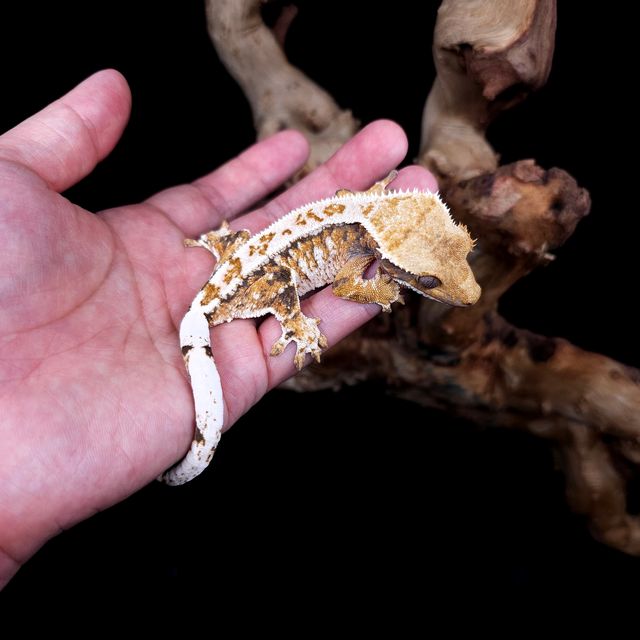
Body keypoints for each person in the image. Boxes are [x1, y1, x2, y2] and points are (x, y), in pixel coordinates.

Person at [0, 70, 437, 588]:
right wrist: (313, 315)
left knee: (270, 271)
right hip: (235, 291)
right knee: (283, 285)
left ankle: (230, 255)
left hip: (239, 261)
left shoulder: (367, 223)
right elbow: (337, 280)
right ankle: (282, 320)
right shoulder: (360, 242)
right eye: (425, 279)